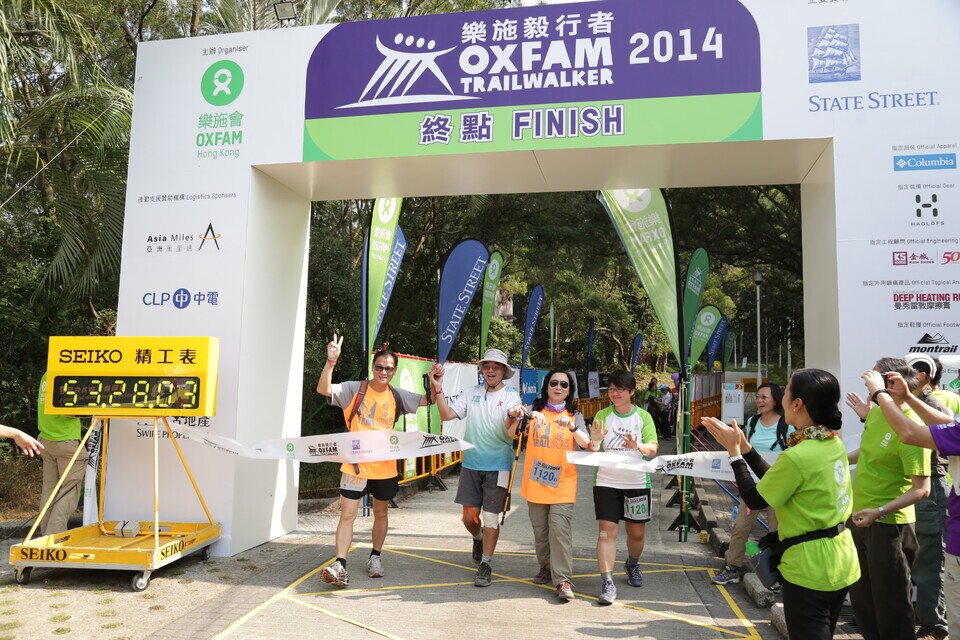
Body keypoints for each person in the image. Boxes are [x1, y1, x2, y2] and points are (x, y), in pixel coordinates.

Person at [703, 368, 860, 639]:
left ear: (797, 403)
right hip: (842, 560)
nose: (782, 396)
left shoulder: (797, 456)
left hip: (809, 568)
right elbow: (776, 481)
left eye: (786, 391)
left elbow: (754, 498)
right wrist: (747, 450)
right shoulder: (830, 443)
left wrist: (734, 454)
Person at [316, 335, 430, 587]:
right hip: (355, 465)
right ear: (373, 368)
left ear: (394, 371)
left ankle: (375, 557)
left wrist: (435, 382)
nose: (383, 371)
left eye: (388, 368)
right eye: (379, 367)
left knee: (380, 513)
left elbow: (426, 400)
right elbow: (323, 389)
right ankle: (340, 564)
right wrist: (330, 361)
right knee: (347, 515)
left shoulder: (396, 395)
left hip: (385, 467)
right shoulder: (355, 389)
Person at [859, 368, 958, 640]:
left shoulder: (903, 421)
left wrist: (883, 394)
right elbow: (948, 423)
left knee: (897, 599)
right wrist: (904, 398)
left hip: (894, 523)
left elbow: (909, 434)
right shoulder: (881, 414)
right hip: (954, 534)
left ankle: (932, 624)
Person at [847, 357, 931, 640]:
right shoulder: (878, 413)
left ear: (890, 382)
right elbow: (867, 451)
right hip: (860, 518)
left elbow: (922, 490)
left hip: (890, 525)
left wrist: (880, 510)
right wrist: (833, 460)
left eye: (873, 379)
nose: (868, 383)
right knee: (863, 600)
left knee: (892, 606)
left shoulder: (910, 425)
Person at [431, 348, 525, 587]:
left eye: (496, 366)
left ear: (504, 371)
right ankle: (478, 537)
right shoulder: (471, 393)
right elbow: (445, 415)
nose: (491, 370)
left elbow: (510, 434)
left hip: (499, 466)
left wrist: (513, 417)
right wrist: (438, 387)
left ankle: (486, 563)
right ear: (482, 370)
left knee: (491, 518)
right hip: (472, 464)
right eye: (487, 366)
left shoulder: (512, 397)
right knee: (469, 518)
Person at [587, 370, 658, 605]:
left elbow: (653, 449)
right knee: (606, 531)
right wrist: (595, 439)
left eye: (620, 389)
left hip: (637, 483)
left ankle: (632, 564)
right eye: (612, 389)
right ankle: (607, 582)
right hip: (607, 482)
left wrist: (638, 446)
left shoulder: (643, 417)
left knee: (636, 533)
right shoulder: (602, 414)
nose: (615, 393)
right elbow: (594, 448)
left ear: (631, 392)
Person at [712, 383, 794, 585]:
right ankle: (733, 567)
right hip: (753, 487)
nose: (759, 401)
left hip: (777, 489)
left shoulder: (787, 425)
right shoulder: (752, 422)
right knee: (740, 528)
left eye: (764, 397)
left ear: (776, 398)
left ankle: (777, 574)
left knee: (776, 532)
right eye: (757, 397)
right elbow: (744, 449)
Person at [520, 370, 591, 601]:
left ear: (569, 390)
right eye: (554, 383)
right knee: (541, 534)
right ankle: (546, 567)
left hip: (563, 484)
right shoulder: (534, 410)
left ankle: (563, 580)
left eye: (564, 384)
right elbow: (514, 432)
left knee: (559, 532)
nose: (558, 387)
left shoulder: (575, 415)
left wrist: (572, 427)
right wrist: (528, 418)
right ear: (546, 387)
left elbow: (587, 444)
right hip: (536, 483)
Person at [907, 353, 953, 640]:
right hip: (917, 484)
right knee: (919, 557)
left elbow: (945, 425)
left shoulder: (930, 405)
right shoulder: (911, 403)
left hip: (932, 486)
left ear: (923, 376)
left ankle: (934, 624)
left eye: (905, 373)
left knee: (929, 559)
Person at [37, 372, 88, 536]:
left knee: (49, 489)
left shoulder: (47, 374)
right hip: (66, 440)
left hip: (45, 439)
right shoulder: (67, 375)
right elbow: (69, 410)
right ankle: (55, 535)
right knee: (69, 489)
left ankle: (44, 533)